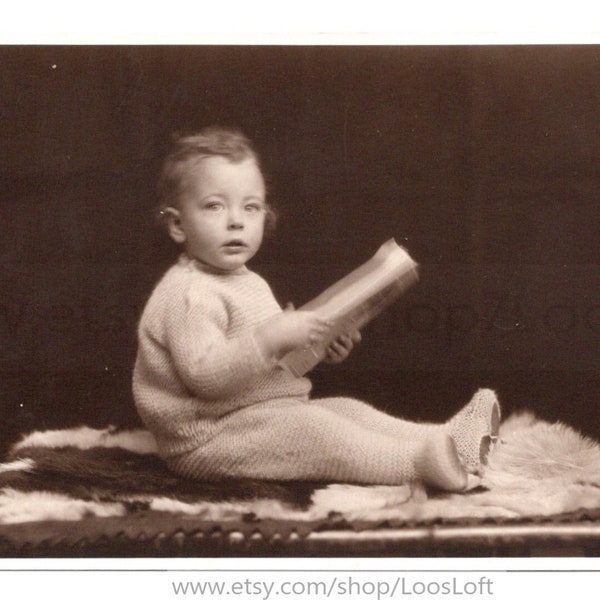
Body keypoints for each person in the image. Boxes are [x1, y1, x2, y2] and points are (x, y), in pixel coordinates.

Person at [133, 126, 500, 492]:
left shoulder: (247, 281)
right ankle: (419, 462)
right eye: (215, 205)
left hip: (260, 416)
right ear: (178, 225)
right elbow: (208, 378)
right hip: (210, 439)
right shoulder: (188, 294)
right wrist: (270, 338)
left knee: (345, 410)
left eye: (251, 206)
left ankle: (448, 439)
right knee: (319, 433)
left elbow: (272, 366)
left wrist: (320, 345)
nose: (236, 220)